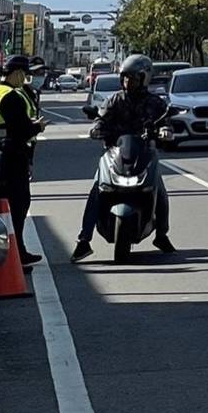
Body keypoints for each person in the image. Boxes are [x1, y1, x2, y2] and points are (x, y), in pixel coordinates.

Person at [72, 53, 175, 261]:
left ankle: (161, 234)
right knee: (96, 191)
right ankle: (84, 240)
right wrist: (97, 128)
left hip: (144, 153)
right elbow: (100, 119)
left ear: (144, 78)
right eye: (125, 78)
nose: (128, 82)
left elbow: (166, 123)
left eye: (133, 78)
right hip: (115, 153)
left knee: (160, 191)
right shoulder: (115, 99)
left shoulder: (155, 103)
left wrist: (165, 131)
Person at [0, 55, 45, 267]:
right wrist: (37, 127)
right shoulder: (12, 96)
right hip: (12, 157)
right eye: (24, 74)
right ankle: (15, 255)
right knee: (17, 207)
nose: (25, 79)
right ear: (17, 73)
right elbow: (21, 130)